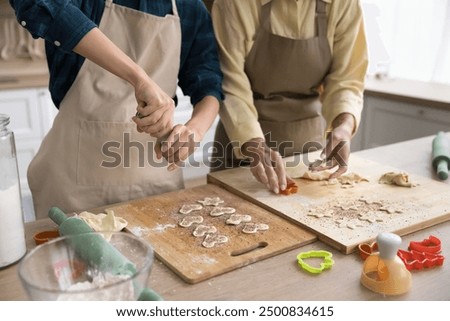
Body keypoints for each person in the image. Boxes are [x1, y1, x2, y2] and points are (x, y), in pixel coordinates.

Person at [9, 0, 223, 219]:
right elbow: (35, 4)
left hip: (155, 183)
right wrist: (138, 78)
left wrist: (195, 131)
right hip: (73, 187)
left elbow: (210, 84)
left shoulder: (190, 8)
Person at [210, 0, 368, 194]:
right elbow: (230, 83)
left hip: (309, 146)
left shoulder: (343, 3)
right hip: (241, 145)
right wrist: (252, 143)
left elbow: (347, 78)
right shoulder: (234, 3)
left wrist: (344, 125)